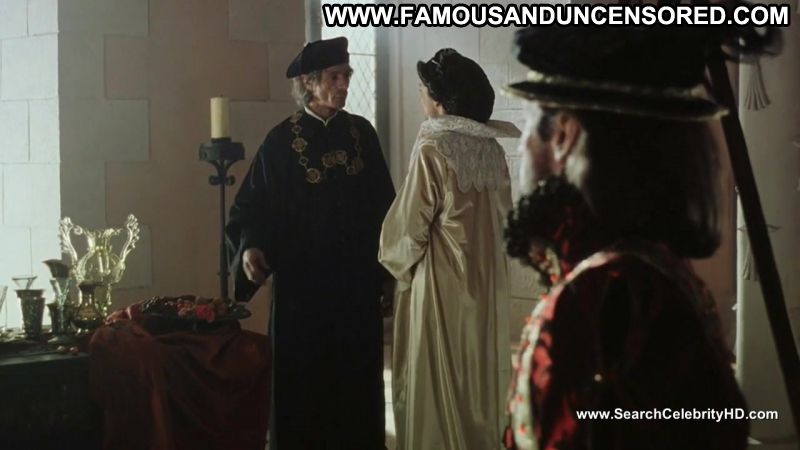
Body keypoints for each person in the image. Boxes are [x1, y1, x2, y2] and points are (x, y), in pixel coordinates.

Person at [501, 26, 780, 450]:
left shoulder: (597, 296)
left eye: (528, 124)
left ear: (563, 134)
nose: (522, 146)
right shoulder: (654, 274)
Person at [226, 36, 396, 449]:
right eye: (335, 77)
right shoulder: (280, 142)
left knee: (356, 387)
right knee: (302, 390)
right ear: (308, 81)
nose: (344, 84)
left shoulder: (363, 134)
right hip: (302, 295)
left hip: (356, 289)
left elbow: (387, 209)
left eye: (347, 76)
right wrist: (251, 248)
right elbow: (251, 208)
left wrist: (389, 274)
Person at [379, 48, 519, 450]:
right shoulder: (492, 150)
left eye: (423, 89)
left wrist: (392, 262)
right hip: (485, 280)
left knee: (438, 377)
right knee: (477, 374)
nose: (420, 96)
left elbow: (407, 231)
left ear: (439, 101)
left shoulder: (433, 148)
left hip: (441, 287)